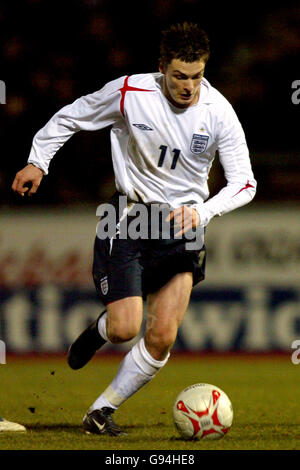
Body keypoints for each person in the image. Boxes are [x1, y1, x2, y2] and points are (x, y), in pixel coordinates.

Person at [12, 22, 256, 436]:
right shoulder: (130, 93)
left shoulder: (219, 113)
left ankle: (100, 412)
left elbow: (245, 183)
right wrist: (39, 160)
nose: (188, 86)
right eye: (179, 76)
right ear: (162, 67)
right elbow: (73, 115)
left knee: (162, 335)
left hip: (184, 227)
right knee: (125, 327)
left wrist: (204, 212)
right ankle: (100, 331)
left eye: (196, 76)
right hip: (129, 216)